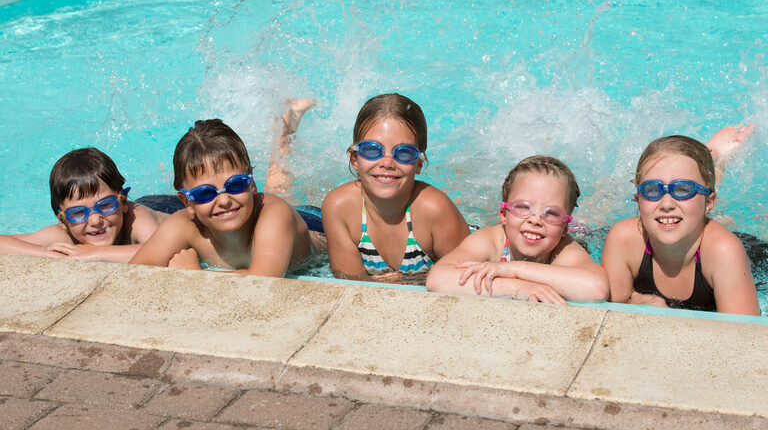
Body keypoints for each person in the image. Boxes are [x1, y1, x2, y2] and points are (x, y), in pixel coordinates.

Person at [130, 117, 315, 275]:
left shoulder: (275, 215)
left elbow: (262, 281)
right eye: (204, 194)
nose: (224, 200)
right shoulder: (186, 226)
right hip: (255, 206)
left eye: (236, 184)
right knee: (280, 189)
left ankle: (284, 138)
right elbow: (132, 275)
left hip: (312, 220)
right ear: (186, 201)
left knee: (282, 195)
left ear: (251, 183)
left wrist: (196, 274)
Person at [601, 134, 759, 314]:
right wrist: (635, 300)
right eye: (652, 190)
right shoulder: (623, 239)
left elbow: (743, 334)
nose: (666, 204)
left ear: (709, 202)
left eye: (684, 189)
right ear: (638, 200)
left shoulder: (724, 251)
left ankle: (716, 162)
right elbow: (612, 308)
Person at [321, 93, 470, 283]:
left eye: (404, 153)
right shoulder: (339, 207)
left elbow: (466, 278)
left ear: (418, 163)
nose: (387, 163)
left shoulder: (435, 210)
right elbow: (351, 283)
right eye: (372, 150)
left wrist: (401, 282)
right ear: (354, 159)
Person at [426, 156, 609, 303]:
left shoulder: (563, 249)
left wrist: (512, 269)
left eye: (552, 213)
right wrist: (518, 288)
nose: (535, 220)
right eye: (522, 207)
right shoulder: (490, 240)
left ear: (565, 228)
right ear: (504, 214)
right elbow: (437, 279)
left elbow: (597, 289)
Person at [0, 148, 166, 262]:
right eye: (77, 213)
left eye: (106, 205)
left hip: (165, 205)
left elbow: (165, 248)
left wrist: (96, 253)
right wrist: (53, 256)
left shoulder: (137, 220)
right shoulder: (66, 235)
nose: (94, 221)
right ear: (62, 220)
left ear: (122, 202)